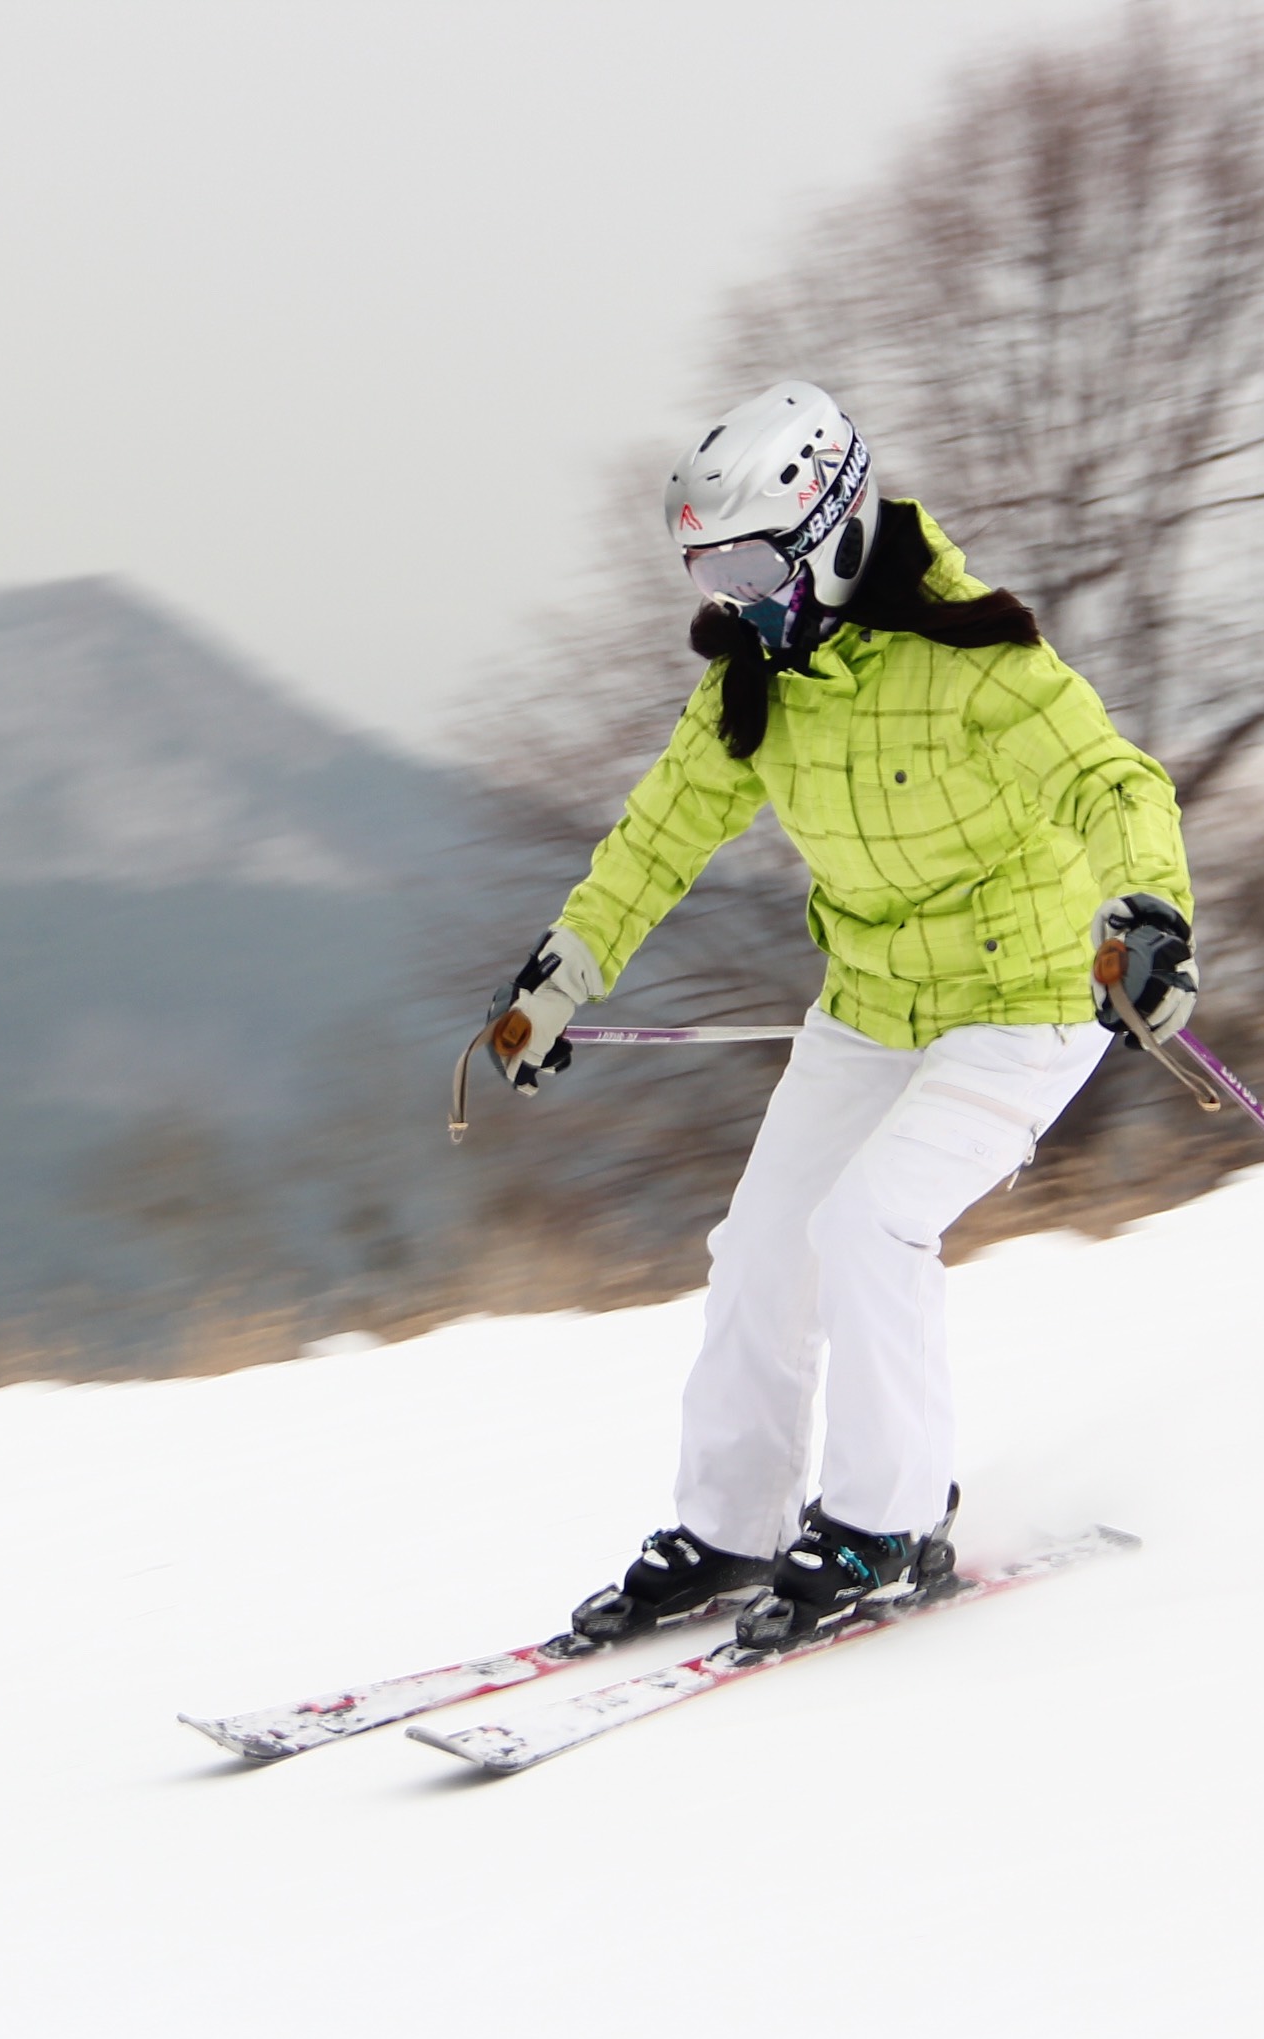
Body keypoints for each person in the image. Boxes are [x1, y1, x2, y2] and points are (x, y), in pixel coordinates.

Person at [488, 380, 1197, 1656]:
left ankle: (887, 1524)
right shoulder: (758, 681)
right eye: (709, 572)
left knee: (874, 1227)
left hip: (1029, 1002)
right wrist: (559, 980)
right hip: (871, 1009)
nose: (737, 594)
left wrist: (1148, 915)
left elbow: (1113, 781)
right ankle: (730, 1529)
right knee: (762, 1247)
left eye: (755, 561)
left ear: (836, 522)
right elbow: (658, 837)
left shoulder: (978, 663)